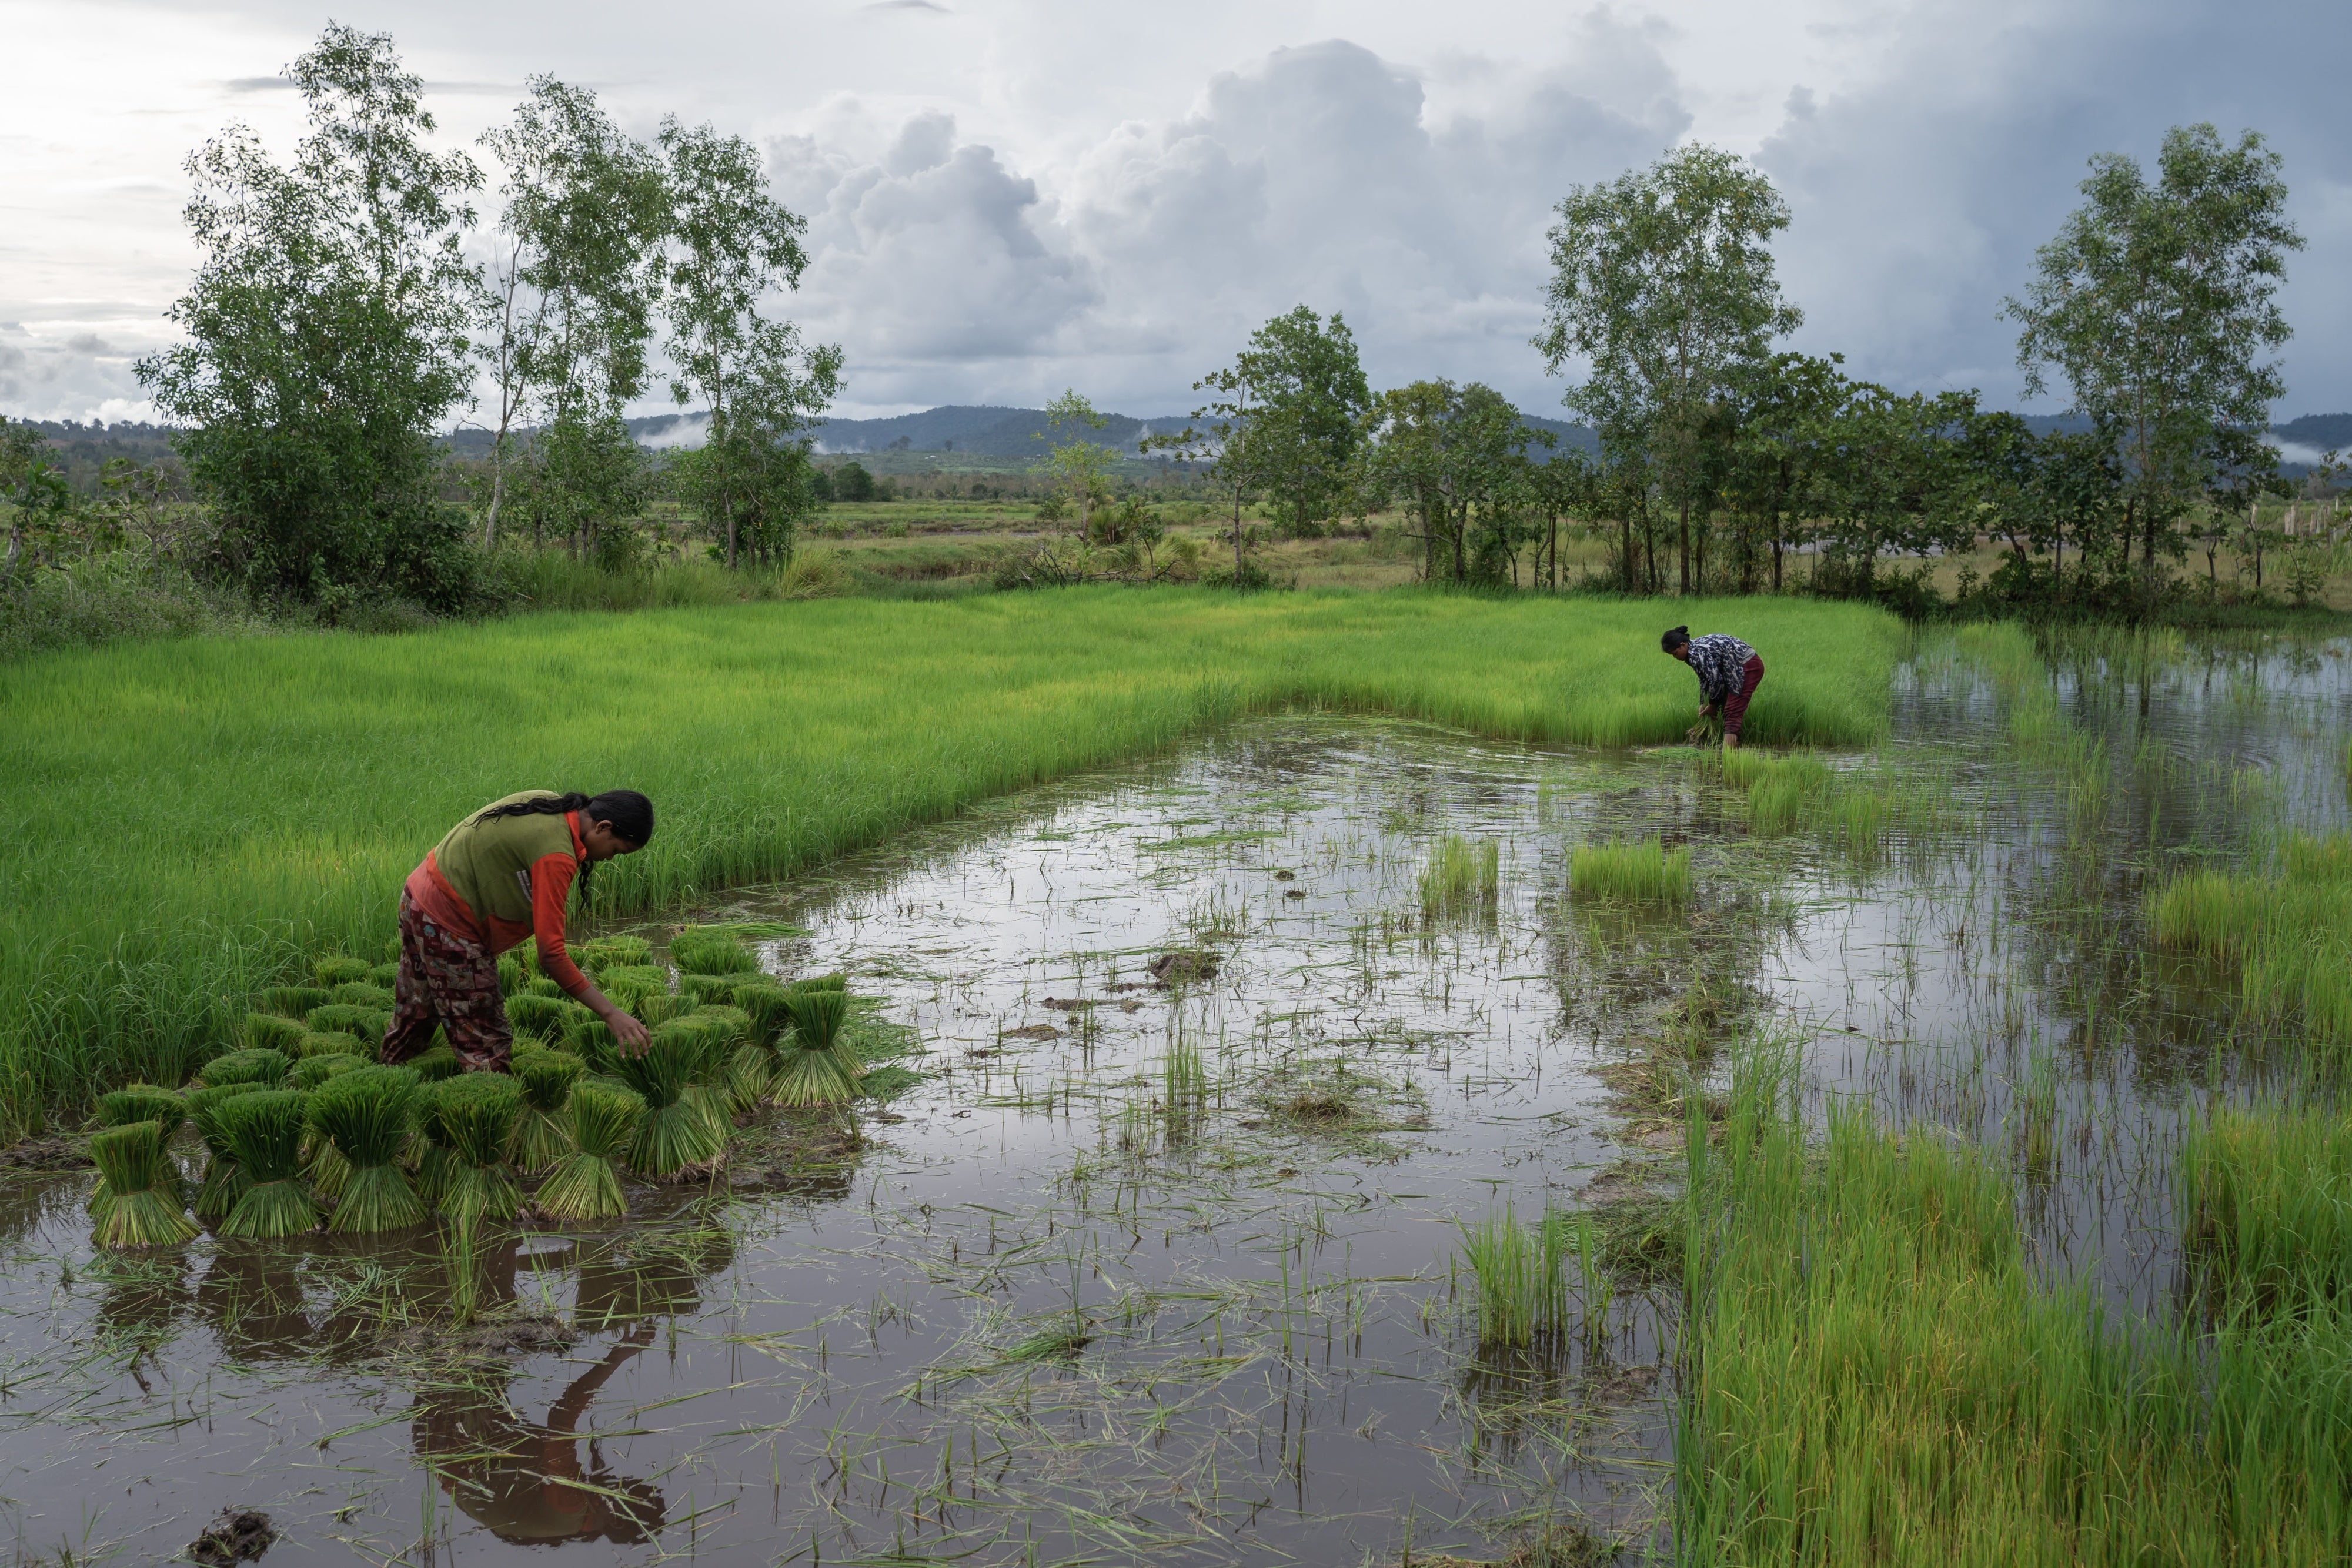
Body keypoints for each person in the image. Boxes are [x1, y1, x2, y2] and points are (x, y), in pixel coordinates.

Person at [384, 789, 654, 1072]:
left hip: (418, 895)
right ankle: (490, 1112)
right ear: (603, 827)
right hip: (448, 924)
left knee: (417, 1010)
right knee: (486, 1043)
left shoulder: (549, 803)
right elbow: (551, 955)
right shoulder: (556, 855)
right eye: (616, 850)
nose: (610, 859)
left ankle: (388, 1078)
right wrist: (610, 1013)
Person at [1662, 626, 1763, 750]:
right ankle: (1735, 749)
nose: (1675, 658)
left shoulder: (1697, 653)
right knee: (1727, 708)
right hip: (1733, 668)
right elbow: (1705, 679)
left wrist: (1712, 705)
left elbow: (1716, 680)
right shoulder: (1693, 651)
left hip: (1747, 665)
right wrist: (1703, 703)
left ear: (1683, 645)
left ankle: (1727, 756)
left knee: (1732, 711)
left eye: (1675, 654)